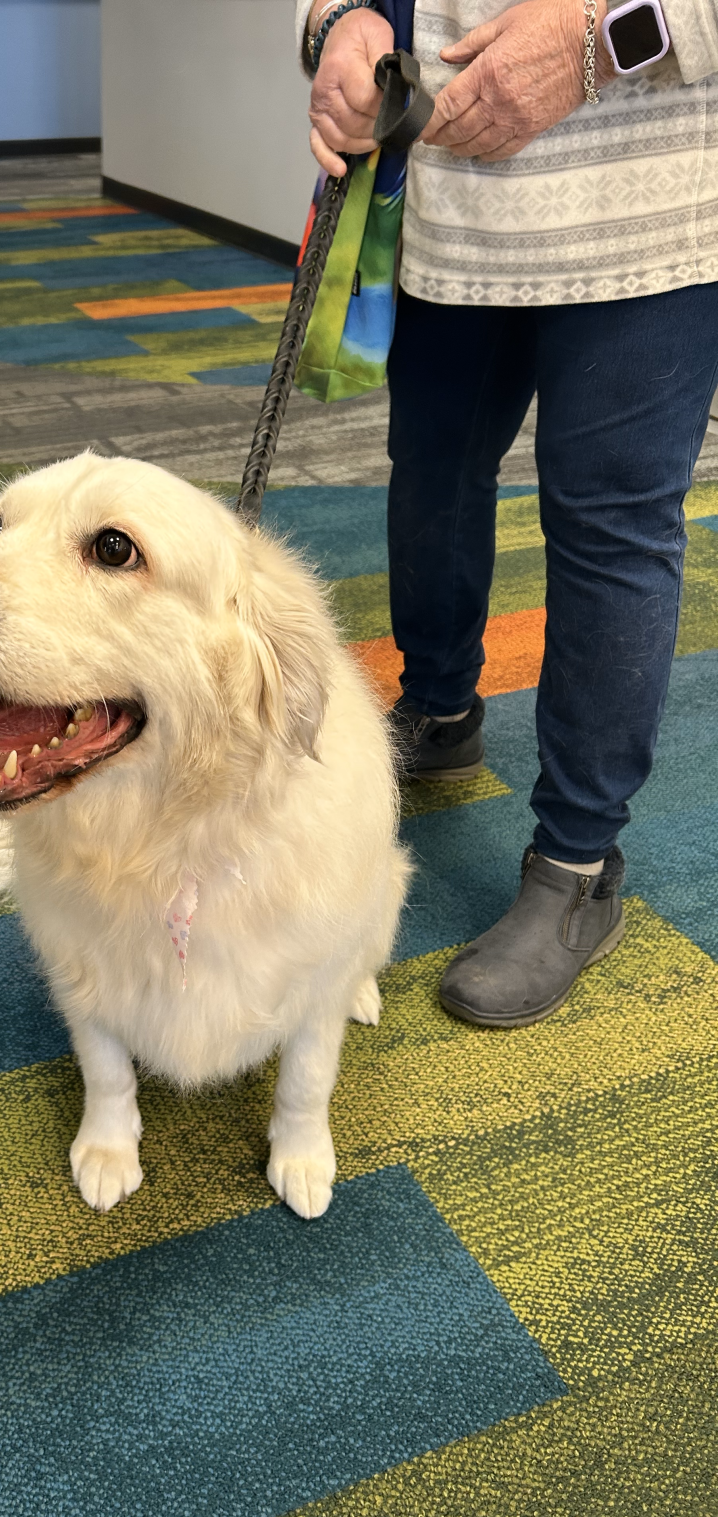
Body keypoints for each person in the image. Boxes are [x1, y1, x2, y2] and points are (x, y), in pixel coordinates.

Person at [297, 0, 718, 1026]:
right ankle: (440, 713)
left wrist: (599, 41)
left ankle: (578, 868)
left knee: (610, 524)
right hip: (447, 208)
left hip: (646, 207)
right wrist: (340, 26)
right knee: (431, 473)